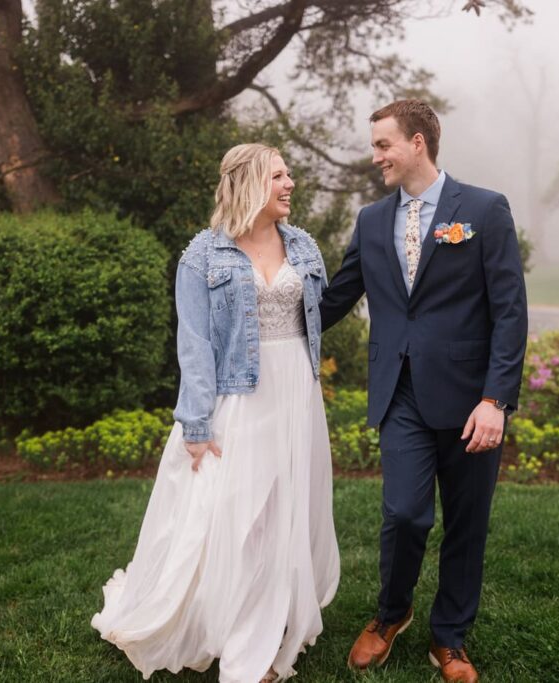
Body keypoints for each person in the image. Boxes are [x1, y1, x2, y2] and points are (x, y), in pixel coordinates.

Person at [92, 143, 340, 683]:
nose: (290, 183)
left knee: (283, 511)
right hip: (238, 398)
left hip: (296, 394)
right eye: (279, 175)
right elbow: (194, 345)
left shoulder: (303, 247)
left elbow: (317, 319)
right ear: (250, 183)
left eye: (289, 173)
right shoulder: (203, 256)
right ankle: (241, 639)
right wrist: (197, 423)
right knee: (238, 515)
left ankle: (269, 619)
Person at [319, 100, 528, 683]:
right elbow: (338, 296)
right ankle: (391, 614)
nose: (376, 155)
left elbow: (510, 311)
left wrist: (496, 399)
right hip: (400, 394)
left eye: (383, 144)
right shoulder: (370, 220)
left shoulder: (484, 209)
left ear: (417, 143)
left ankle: (450, 639)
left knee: (467, 522)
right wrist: (270, 312)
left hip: (470, 399)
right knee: (405, 514)